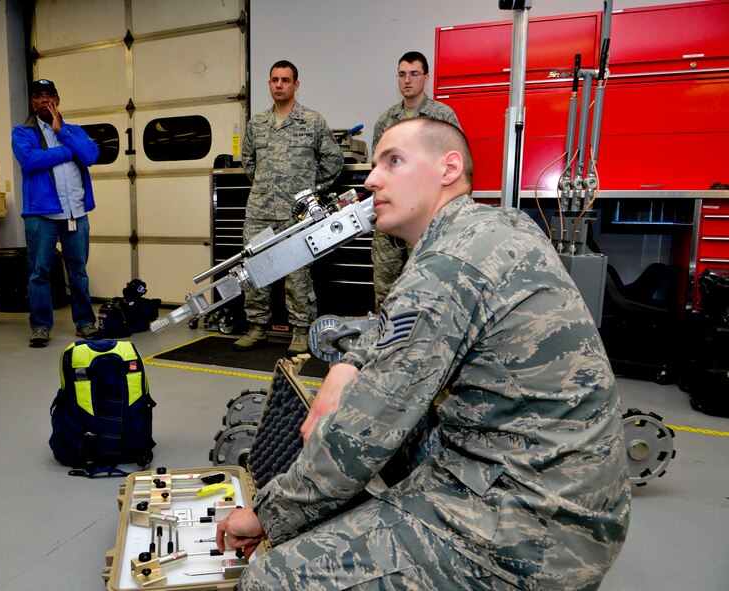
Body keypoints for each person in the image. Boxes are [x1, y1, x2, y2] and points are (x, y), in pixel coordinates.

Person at [217, 118, 630, 590]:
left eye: (393, 161)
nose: (372, 179)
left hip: (533, 527)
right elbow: (401, 325)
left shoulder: (447, 265)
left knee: (269, 579)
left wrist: (269, 515)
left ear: (448, 168)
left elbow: (363, 431)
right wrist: (350, 363)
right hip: (570, 490)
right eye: (374, 164)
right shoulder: (495, 227)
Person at [234, 60, 344, 355]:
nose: (279, 85)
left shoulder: (312, 121)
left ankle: (299, 331)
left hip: (296, 214)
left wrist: (310, 190)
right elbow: (249, 163)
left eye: (285, 80)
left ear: (296, 84)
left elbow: (334, 160)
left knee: (297, 272)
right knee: (254, 268)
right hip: (260, 209)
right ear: (269, 84)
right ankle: (256, 327)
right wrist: (267, 186)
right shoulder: (257, 124)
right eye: (274, 80)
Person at [11, 79, 100, 348]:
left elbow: (90, 156)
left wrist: (63, 133)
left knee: (78, 271)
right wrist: (67, 150)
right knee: (39, 272)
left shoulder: (73, 130)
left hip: (76, 212)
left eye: (48, 96)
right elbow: (30, 160)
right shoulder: (22, 132)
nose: (43, 101)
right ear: (32, 102)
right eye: (37, 96)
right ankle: (40, 326)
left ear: (57, 101)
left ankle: (85, 322)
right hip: (41, 214)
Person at [370, 51, 461, 311]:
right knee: (385, 287)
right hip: (391, 216)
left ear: (426, 78)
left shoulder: (442, 117)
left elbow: (454, 165)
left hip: (426, 218)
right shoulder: (386, 121)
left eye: (413, 74)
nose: (407, 80)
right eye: (402, 74)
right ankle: (384, 344)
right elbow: (379, 167)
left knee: (428, 283)